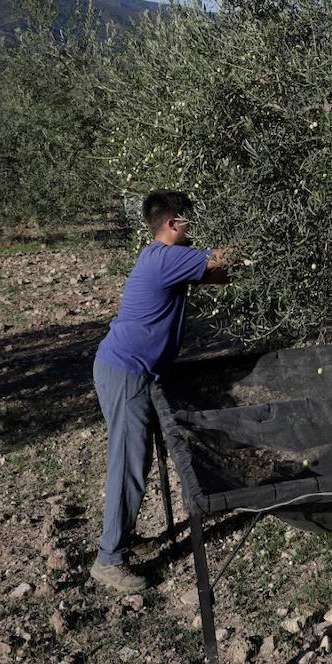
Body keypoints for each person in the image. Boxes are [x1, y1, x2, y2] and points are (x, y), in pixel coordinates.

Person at [89, 190, 231, 591]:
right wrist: (266, 236)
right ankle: (109, 560)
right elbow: (221, 260)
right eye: (188, 220)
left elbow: (217, 274)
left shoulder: (163, 259)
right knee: (128, 464)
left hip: (129, 370)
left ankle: (123, 540)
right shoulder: (167, 257)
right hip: (127, 372)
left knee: (136, 459)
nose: (193, 227)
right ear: (172, 224)